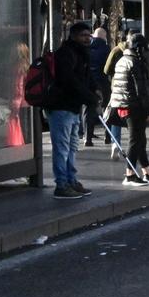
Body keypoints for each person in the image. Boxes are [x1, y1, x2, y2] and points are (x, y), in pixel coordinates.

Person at [47, 21, 98, 198]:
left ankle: (71, 180)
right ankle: (61, 185)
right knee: (62, 148)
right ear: (74, 36)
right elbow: (69, 80)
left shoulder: (82, 54)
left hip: (73, 108)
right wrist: (89, 97)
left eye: (89, 35)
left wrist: (94, 91)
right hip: (61, 107)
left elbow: (85, 78)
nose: (87, 38)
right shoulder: (65, 54)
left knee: (71, 148)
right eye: (83, 35)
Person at [108, 32, 149, 185]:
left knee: (139, 139)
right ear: (140, 48)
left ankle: (148, 172)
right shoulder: (135, 63)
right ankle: (129, 174)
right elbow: (141, 90)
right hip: (134, 106)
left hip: (122, 104)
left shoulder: (122, 60)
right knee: (135, 140)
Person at [84, 25, 110, 146]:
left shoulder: (86, 48)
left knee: (88, 110)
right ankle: (107, 137)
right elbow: (109, 68)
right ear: (104, 37)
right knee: (106, 109)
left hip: (89, 83)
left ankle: (87, 138)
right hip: (103, 82)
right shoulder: (106, 49)